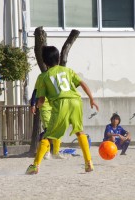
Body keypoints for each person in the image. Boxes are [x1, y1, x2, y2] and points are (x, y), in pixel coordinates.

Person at [26, 46, 99, 174]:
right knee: (79, 131)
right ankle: (89, 163)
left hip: (61, 103)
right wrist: (91, 98)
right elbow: (82, 83)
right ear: (58, 58)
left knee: (48, 135)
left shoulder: (44, 76)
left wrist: (36, 106)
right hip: (76, 101)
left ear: (44, 61)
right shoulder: (68, 70)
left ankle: (35, 165)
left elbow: (42, 99)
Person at [30, 72, 65, 160]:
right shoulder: (42, 77)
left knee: (57, 127)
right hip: (44, 105)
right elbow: (36, 91)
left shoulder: (58, 76)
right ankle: (47, 152)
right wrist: (33, 104)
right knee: (48, 128)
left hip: (55, 104)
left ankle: (56, 152)